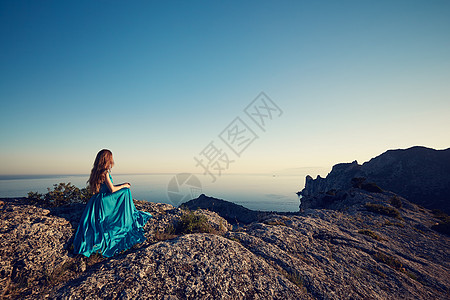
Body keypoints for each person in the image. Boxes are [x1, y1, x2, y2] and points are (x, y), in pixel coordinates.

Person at [73, 149, 152, 257]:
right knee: (126, 191)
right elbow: (112, 190)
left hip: (96, 200)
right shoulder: (105, 172)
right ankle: (127, 216)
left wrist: (122, 184)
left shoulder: (96, 171)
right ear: (107, 159)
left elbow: (106, 187)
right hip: (104, 202)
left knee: (124, 189)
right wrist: (124, 185)